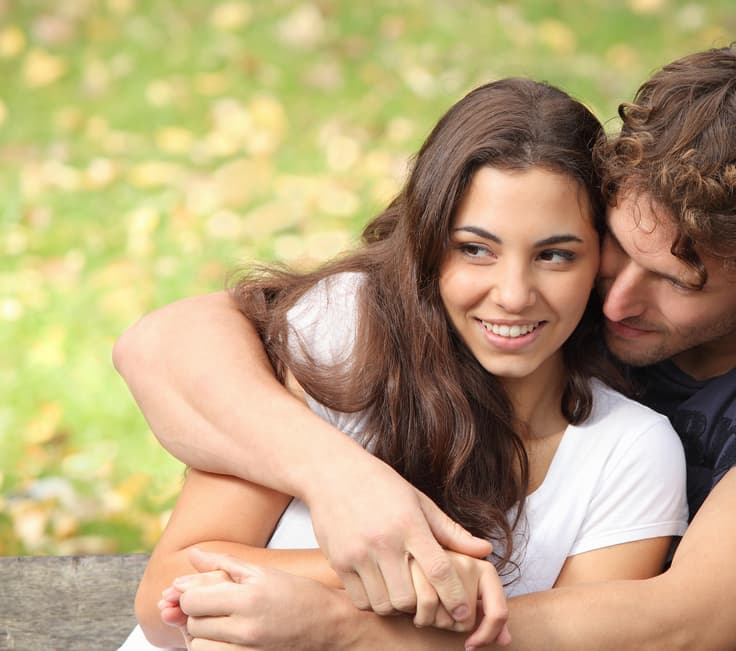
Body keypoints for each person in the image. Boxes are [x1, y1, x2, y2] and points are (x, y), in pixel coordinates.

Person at [114, 38, 736, 650]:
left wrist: (345, 624)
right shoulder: (545, 313)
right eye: (616, 246)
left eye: (675, 280)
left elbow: (681, 623)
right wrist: (342, 481)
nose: (617, 301)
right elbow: (164, 346)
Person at [116, 78, 688, 650]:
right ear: (429, 246)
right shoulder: (344, 335)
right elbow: (163, 598)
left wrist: (331, 621)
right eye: (475, 249)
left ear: (602, 260)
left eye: (555, 255)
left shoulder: (629, 452)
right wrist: (405, 569)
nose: (513, 294)